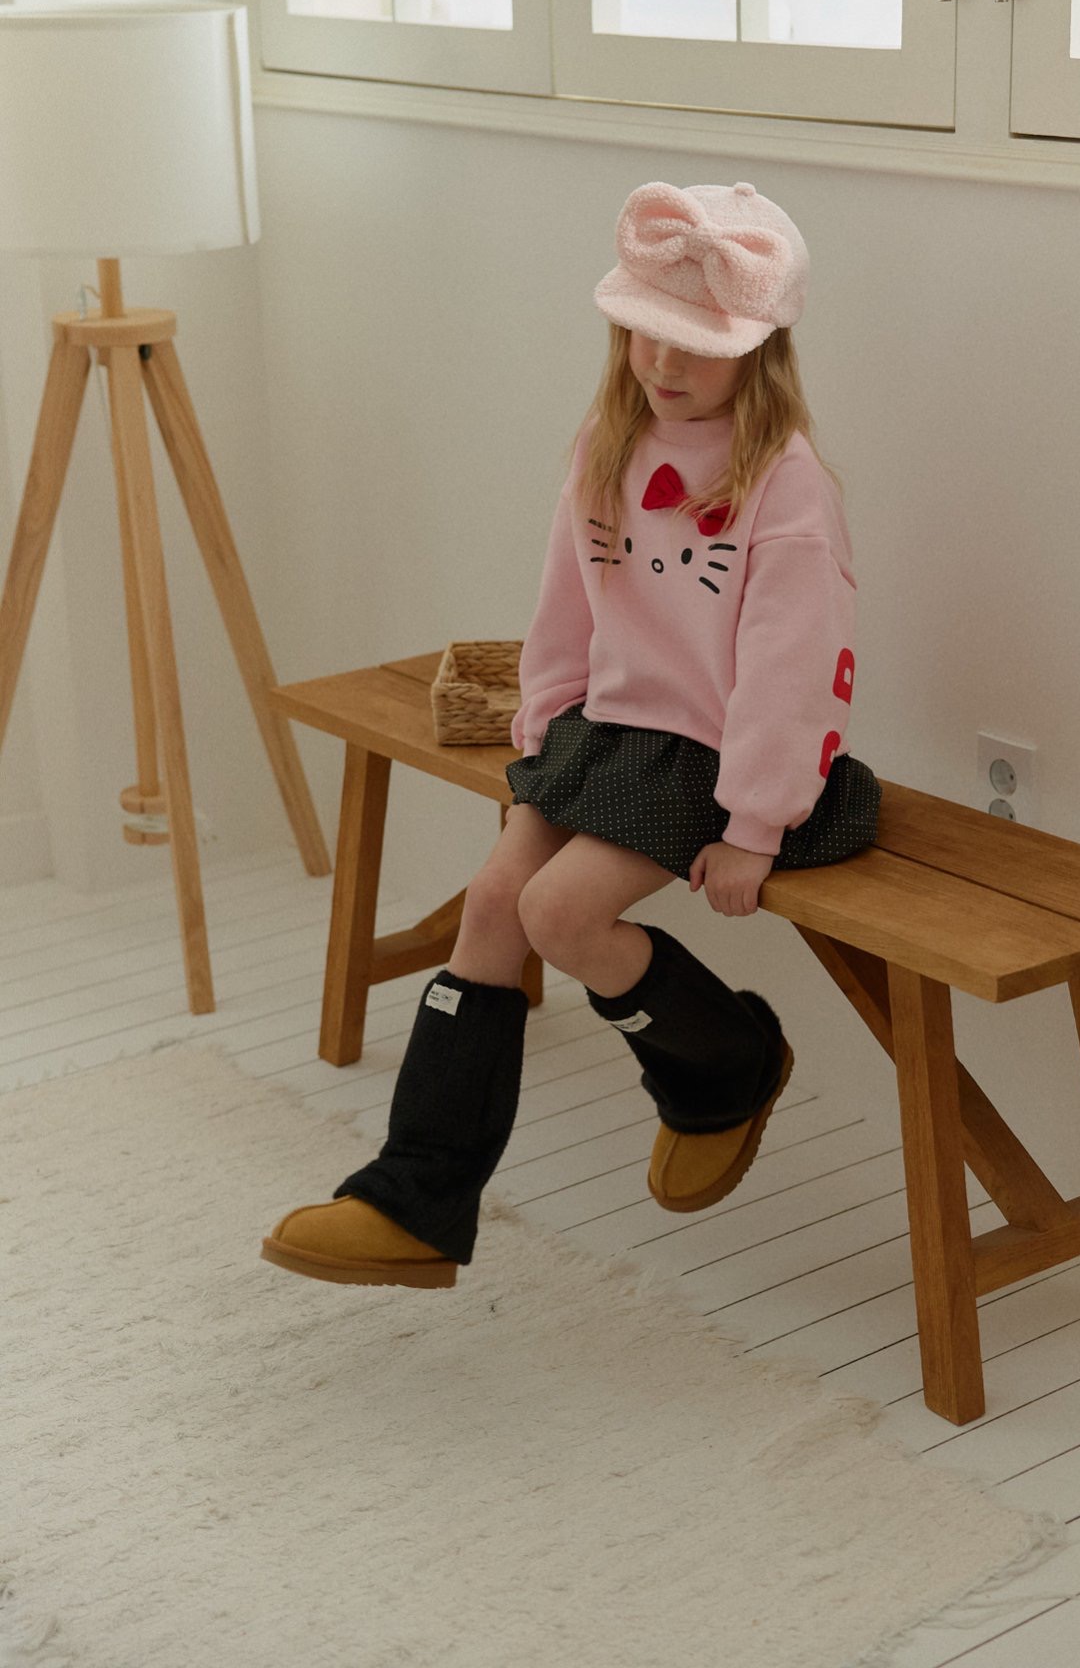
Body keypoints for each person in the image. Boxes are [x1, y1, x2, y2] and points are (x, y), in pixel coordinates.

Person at [261, 178, 882, 1290]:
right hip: (606, 732)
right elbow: (566, 606)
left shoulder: (783, 485)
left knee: (557, 913)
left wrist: (754, 823)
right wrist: (543, 730)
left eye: (695, 344)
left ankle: (727, 1066)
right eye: (646, 333)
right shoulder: (610, 438)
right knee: (494, 903)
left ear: (758, 349)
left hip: (714, 754)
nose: (664, 363)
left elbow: (796, 672)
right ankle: (414, 1199)